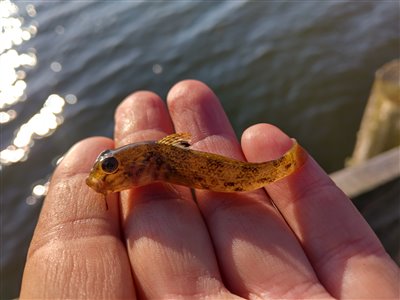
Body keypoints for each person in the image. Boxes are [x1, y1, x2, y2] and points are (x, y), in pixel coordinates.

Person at [20, 80, 399, 299]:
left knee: (257, 167)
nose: (102, 178)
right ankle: (285, 164)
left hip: (210, 169)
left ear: (142, 165)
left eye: (111, 166)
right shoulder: (149, 162)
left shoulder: (155, 159)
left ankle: (286, 164)